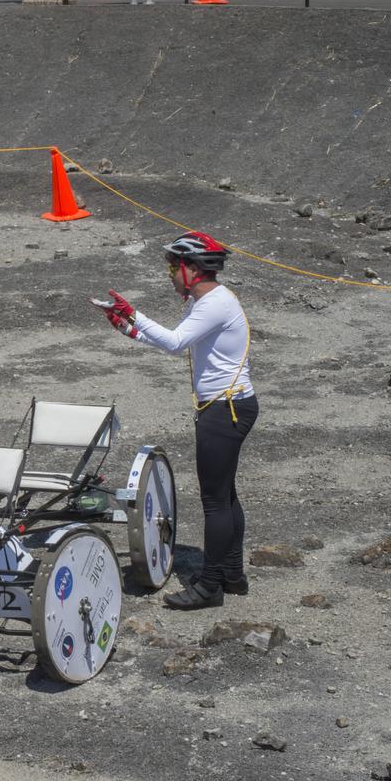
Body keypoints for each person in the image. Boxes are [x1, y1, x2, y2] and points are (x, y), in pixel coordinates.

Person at [98, 231, 258, 610]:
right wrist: (130, 329)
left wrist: (135, 314)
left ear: (193, 269)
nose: (169, 274)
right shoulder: (205, 300)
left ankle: (210, 587)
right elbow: (174, 341)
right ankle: (232, 575)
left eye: (173, 266)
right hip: (228, 406)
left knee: (215, 502)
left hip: (224, 410)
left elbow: (174, 342)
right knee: (225, 495)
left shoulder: (213, 303)